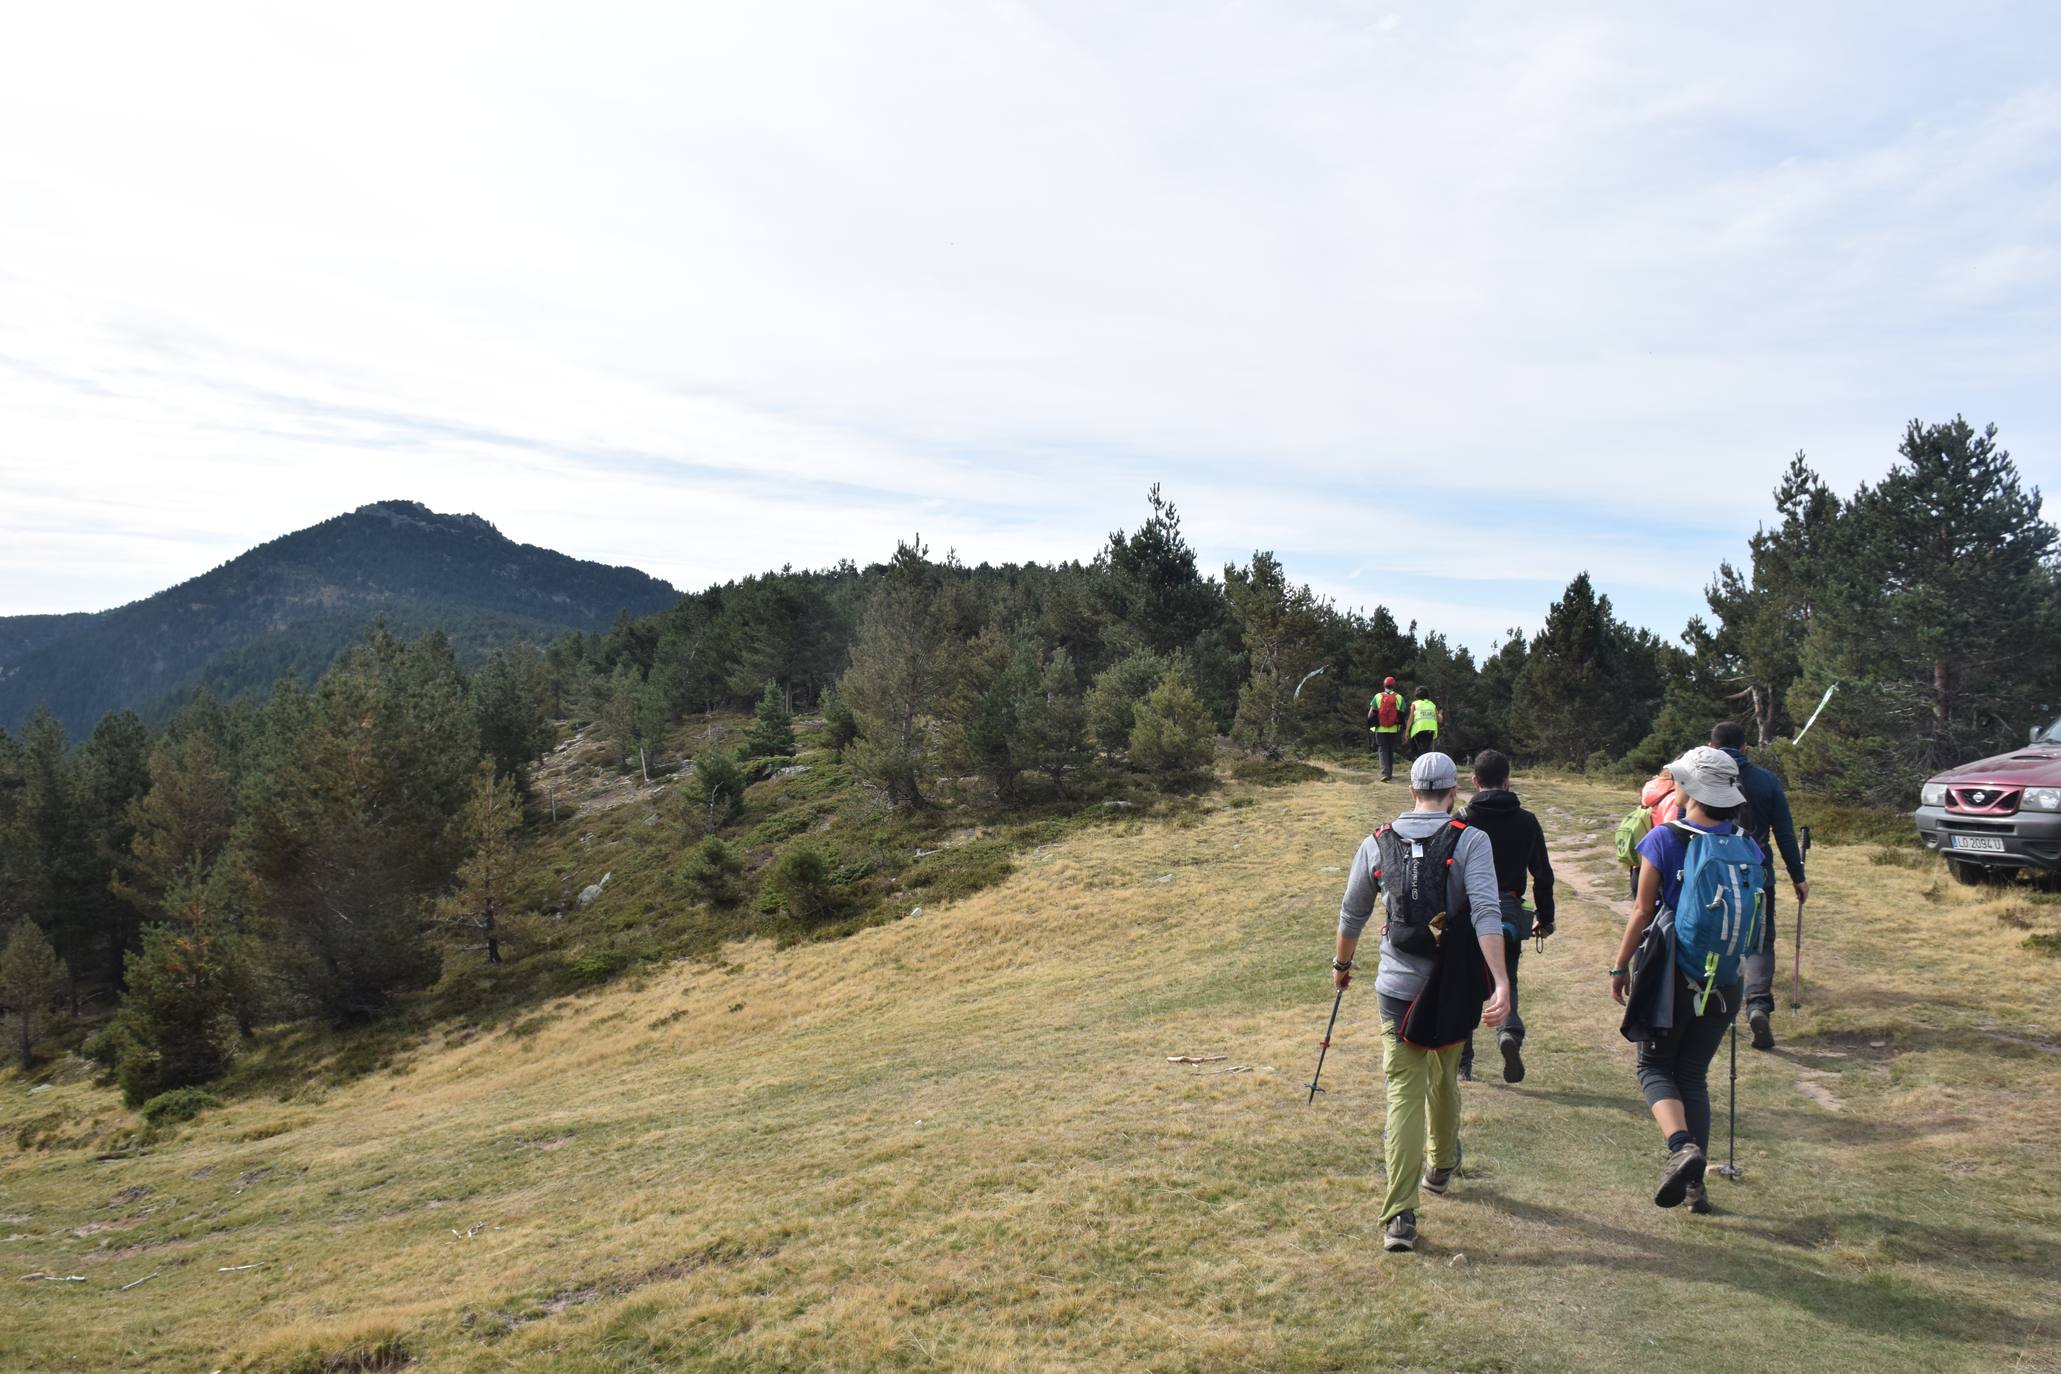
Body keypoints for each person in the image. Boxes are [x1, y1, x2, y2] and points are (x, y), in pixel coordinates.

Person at [1333, 752, 1513, 1254]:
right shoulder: (1472, 840)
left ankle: (1400, 1216)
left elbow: (1353, 914)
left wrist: (1341, 967)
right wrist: (1500, 983)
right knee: (1445, 1075)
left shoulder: (1377, 842)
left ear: (1411, 789)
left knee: (1403, 1093)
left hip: (1397, 989)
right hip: (1453, 988)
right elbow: (1486, 912)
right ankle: (1439, 1164)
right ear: (1454, 791)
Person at [1610, 746, 1765, 1216]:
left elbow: (1642, 912)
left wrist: (1620, 968)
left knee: (1654, 1069)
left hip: (1671, 973)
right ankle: (1697, 1189)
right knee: (1693, 1075)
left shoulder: (1662, 840)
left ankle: (1680, 1147)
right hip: (1726, 980)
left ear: (1689, 789)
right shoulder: (1748, 844)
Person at [1457, 750, 1556, 1085]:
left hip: (1468, 913)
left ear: (1474, 781)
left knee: (1468, 981)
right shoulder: (1527, 820)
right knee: (1507, 977)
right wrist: (1547, 916)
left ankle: (1464, 1058)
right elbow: (1543, 874)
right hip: (1510, 913)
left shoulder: (1462, 818)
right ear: (1507, 779)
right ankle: (1508, 1031)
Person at [1710, 721, 1809, 1051]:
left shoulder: (1705, 777)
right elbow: (1784, 833)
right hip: (1757, 876)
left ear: (1712, 746)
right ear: (1745, 748)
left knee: (1714, 936)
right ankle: (1757, 1006)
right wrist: (1798, 876)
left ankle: (1714, 1009)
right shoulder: (1766, 780)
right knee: (1760, 943)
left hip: (1712, 877)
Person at [1367, 676, 1406, 781]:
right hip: (1394, 729)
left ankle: (1385, 773)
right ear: (1394, 686)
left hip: (1380, 728)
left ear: (1384, 685)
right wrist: (1403, 730)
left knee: (1382, 750)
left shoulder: (1378, 696)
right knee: (1390, 750)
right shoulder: (1399, 698)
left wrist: (1370, 725)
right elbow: (1402, 715)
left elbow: (1371, 713)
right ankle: (1390, 774)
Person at [1407, 687, 1442, 758]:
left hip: (1418, 729)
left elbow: (1410, 718)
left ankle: (1417, 765)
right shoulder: (1432, 705)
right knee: (1426, 751)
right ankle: (1426, 766)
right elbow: (1439, 720)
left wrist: (1407, 731)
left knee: (1416, 750)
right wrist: (1440, 713)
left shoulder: (1414, 704)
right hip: (1430, 730)